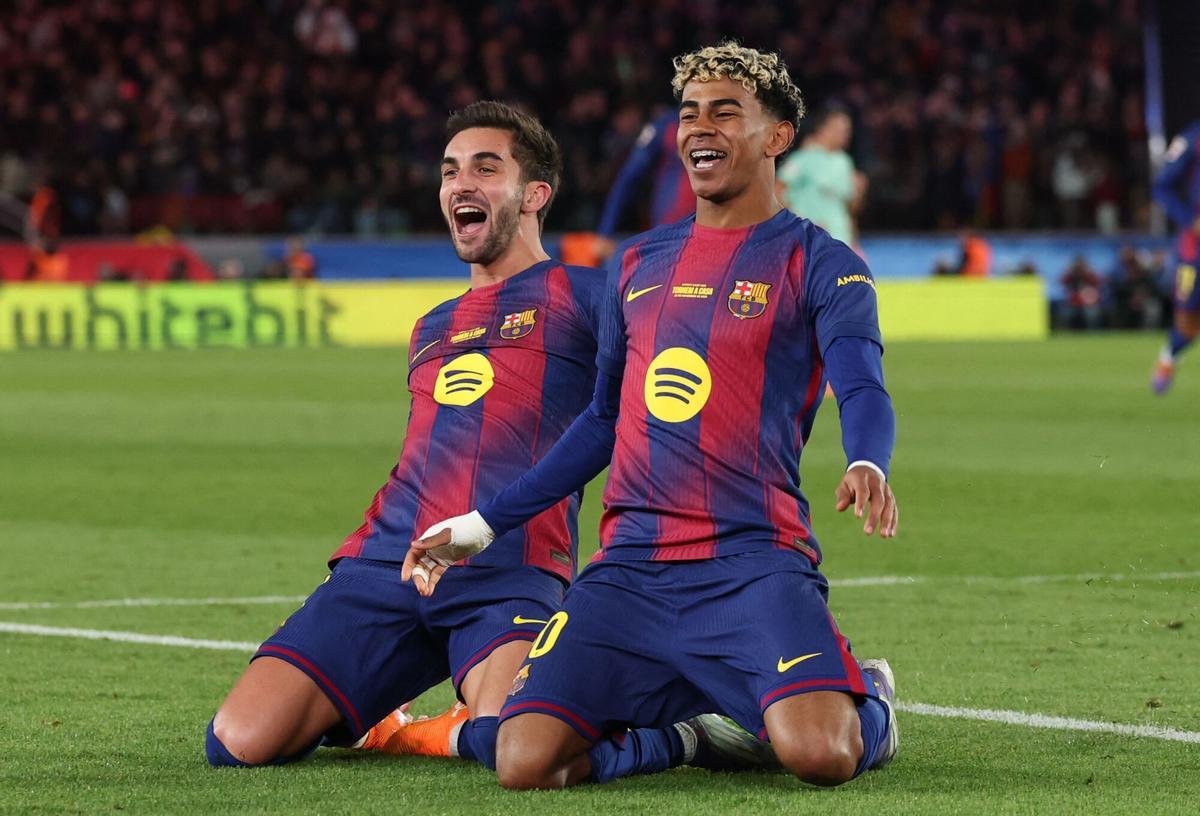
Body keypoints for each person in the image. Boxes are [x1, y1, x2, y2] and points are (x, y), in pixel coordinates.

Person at [204, 100, 765, 775]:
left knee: (521, 749)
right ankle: (383, 704)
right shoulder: (432, 325)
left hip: (510, 572)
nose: (460, 184)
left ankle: (686, 735)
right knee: (238, 742)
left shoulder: (593, 295)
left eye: (484, 168)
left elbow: (672, 375)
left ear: (535, 194)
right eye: (449, 171)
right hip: (388, 564)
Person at [407, 43, 899, 790]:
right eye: (690, 113)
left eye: (725, 112)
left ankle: (876, 708)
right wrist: (483, 524)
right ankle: (690, 738)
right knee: (523, 760)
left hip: (752, 563)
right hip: (629, 572)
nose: (700, 127)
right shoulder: (638, 265)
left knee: (822, 756)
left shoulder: (823, 263)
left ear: (776, 137)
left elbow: (862, 383)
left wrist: (867, 459)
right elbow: (603, 421)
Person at [594, 108, 697, 262]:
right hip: (669, 239)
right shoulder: (665, 126)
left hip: (717, 234)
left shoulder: (729, 126)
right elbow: (628, 178)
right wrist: (606, 231)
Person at [1150, 121, 1200, 393]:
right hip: (1195, 252)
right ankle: (1168, 357)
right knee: (1188, 327)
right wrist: (1190, 221)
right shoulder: (1192, 139)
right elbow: (1162, 187)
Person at [777, 105, 866, 247]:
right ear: (823, 129)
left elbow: (848, 209)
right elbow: (777, 191)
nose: (846, 134)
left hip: (841, 243)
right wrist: (802, 223)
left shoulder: (844, 162)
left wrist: (860, 193)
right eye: (841, 130)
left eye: (847, 130)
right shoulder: (803, 158)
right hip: (810, 245)